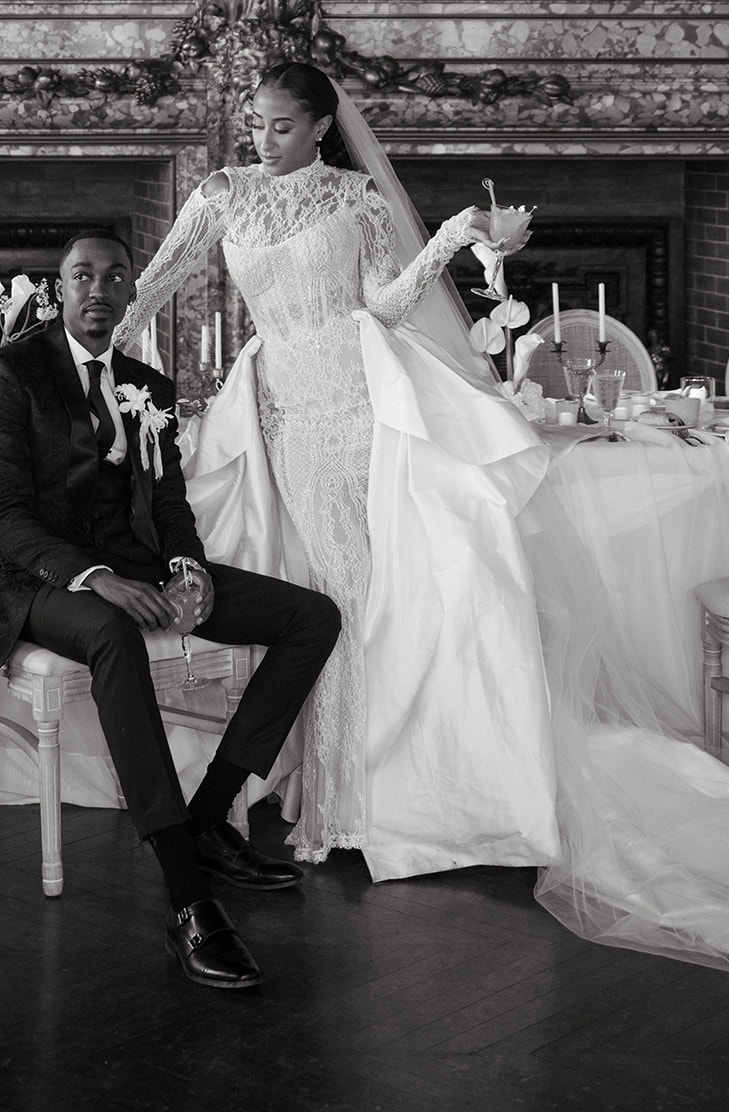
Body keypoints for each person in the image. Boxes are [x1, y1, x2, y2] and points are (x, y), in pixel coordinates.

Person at [114, 61, 559, 876]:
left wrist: (453, 237)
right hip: (285, 416)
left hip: (359, 409)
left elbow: (384, 305)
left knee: (359, 594)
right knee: (328, 593)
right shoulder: (221, 192)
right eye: (255, 123)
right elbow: (150, 285)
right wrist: (81, 348)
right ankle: (334, 794)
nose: (263, 139)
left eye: (281, 125)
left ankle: (355, 802)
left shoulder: (353, 199)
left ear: (322, 125)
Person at [0, 228, 341, 990]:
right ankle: (187, 899)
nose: (97, 291)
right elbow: (0, 515)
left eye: (113, 278)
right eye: (80, 277)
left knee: (311, 618)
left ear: (131, 291)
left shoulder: (148, 388)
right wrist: (94, 576)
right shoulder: (11, 374)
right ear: (56, 289)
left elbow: (168, 502)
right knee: (111, 633)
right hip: (31, 582)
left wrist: (187, 568)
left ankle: (206, 819)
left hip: (133, 568)